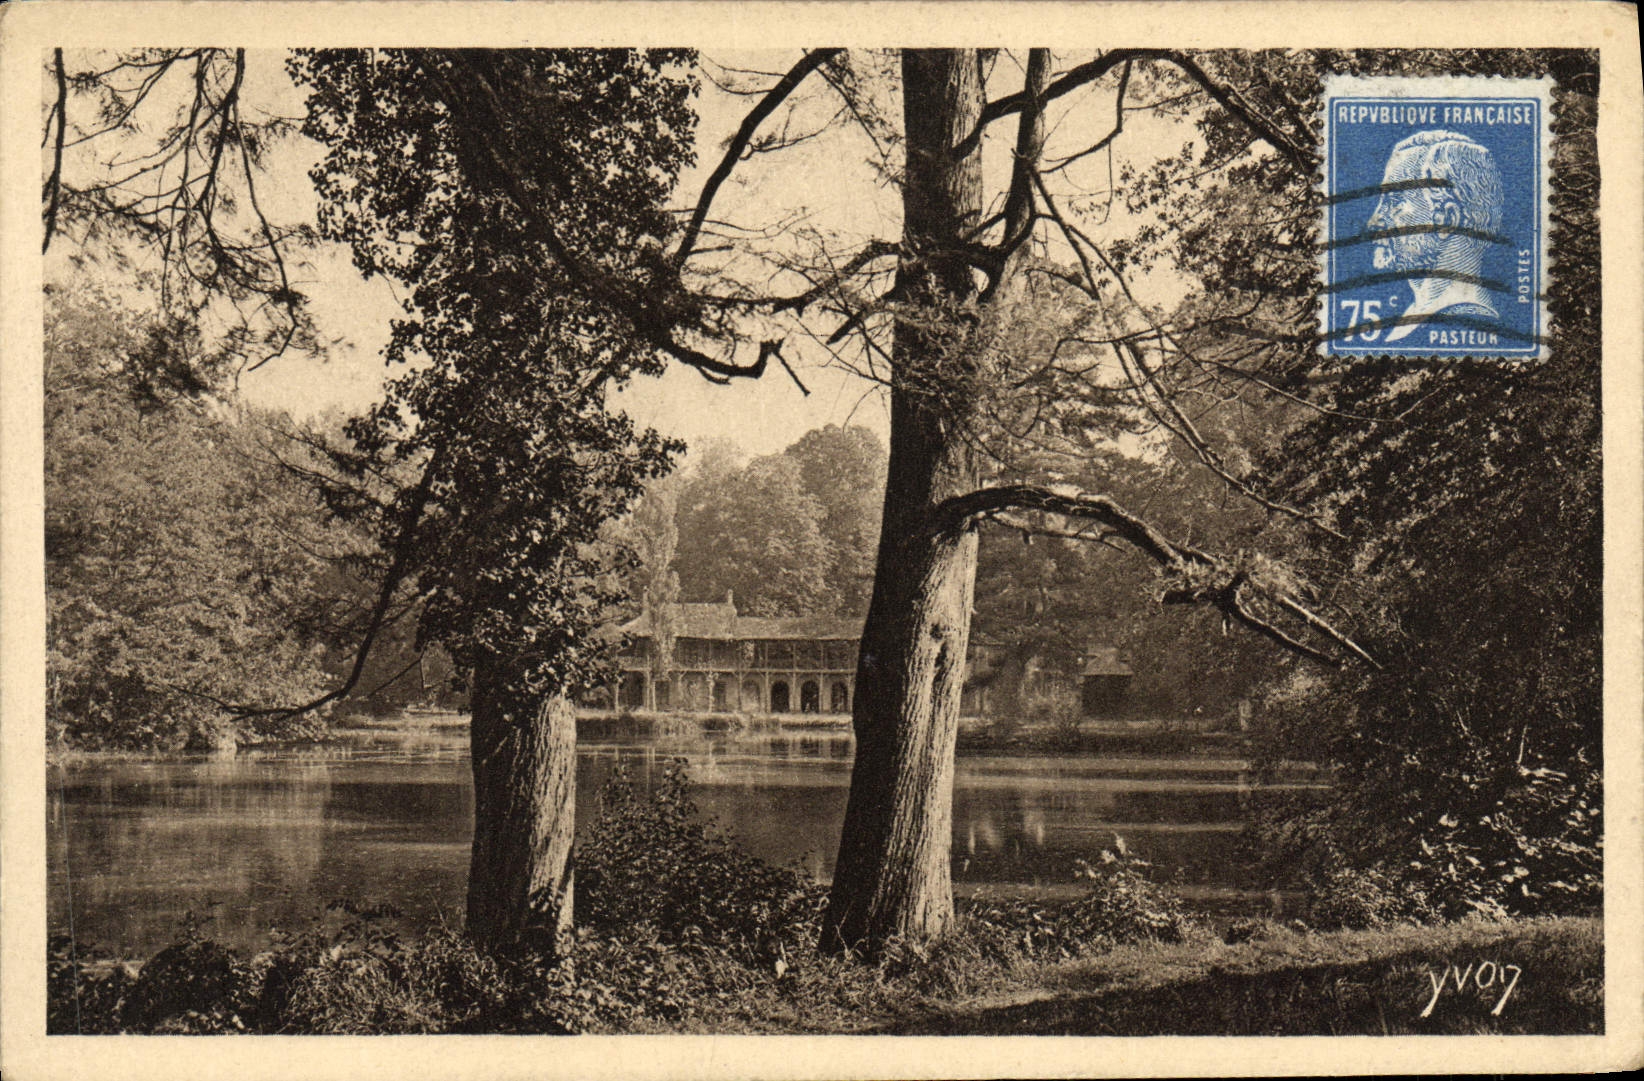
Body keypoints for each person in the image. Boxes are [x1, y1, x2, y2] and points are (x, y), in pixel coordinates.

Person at [1365, 129, 1506, 342]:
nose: (1373, 223)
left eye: (1394, 203)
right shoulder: (1414, 316)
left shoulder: (1465, 319)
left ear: (1447, 220)